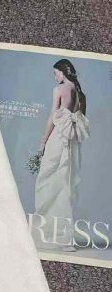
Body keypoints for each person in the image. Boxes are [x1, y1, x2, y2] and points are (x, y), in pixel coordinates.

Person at [33, 59, 89, 251]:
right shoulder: (81, 94)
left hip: (58, 138)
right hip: (72, 142)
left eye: (56, 73)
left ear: (63, 72)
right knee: (66, 186)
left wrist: (42, 143)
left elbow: (52, 118)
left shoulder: (59, 90)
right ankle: (65, 238)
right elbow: (81, 120)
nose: (55, 77)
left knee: (47, 180)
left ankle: (49, 233)